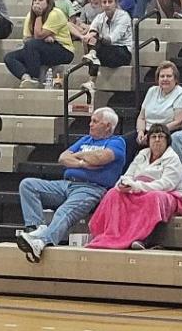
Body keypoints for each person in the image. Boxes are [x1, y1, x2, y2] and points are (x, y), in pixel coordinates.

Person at [15, 108, 126, 263]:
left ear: (107, 126)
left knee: (64, 211)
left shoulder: (117, 142)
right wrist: (83, 163)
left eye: (95, 121)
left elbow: (101, 158)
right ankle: (36, 229)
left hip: (91, 188)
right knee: (28, 185)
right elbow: (63, 158)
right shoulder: (86, 139)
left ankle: (41, 242)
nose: (90, 124)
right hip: (67, 184)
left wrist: (77, 156)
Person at [87, 124, 182, 250]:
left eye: (161, 137)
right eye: (154, 137)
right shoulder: (142, 154)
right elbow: (129, 174)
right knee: (114, 193)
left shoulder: (173, 158)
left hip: (167, 194)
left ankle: (142, 239)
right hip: (138, 190)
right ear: (148, 140)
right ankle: (107, 234)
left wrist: (137, 186)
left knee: (153, 197)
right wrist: (123, 184)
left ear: (167, 140)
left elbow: (166, 184)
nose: (157, 140)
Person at [3, 0, 74, 88]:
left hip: (64, 50)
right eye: (34, 0)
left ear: (48, 2)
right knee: (9, 57)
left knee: (32, 44)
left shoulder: (55, 13)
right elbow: (26, 39)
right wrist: (43, 39)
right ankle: (26, 78)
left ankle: (35, 78)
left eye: (40, 0)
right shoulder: (30, 15)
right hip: (41, 48)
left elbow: (38, 36)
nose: (37, 3)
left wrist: (39, 16)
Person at [132, 61, 182, 158]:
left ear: (175, 79)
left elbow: (179, 122)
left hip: (166, 132)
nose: (165, 79)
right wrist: (140, 132)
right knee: (124, 143)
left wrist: (153, 133)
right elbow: (141, 117)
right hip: (146, 131)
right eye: (162, 76)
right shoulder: (152, 91)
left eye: (169, 76)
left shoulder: (181, 93)